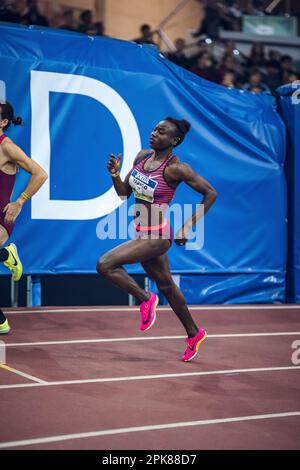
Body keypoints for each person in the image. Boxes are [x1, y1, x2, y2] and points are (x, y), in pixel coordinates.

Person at [97, 117, 218, 361]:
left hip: (158, 235)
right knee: (167, 287)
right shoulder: (142, 157)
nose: (153, 133)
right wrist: (114, 174)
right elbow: (123, 193)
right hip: (142, 231)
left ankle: (145, 299)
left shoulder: (177, 168)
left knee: (105, 265)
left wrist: (187, 226)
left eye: (161, 132)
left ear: (174, 141)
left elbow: (210, 194)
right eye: (154, 129)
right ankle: (194, 333)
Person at [0, 101, 48, 334]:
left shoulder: (7, 146)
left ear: (3, 122)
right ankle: (0, 321)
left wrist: (19, 202)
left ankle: (7, 253)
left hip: (2, 215)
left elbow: (40, 173)